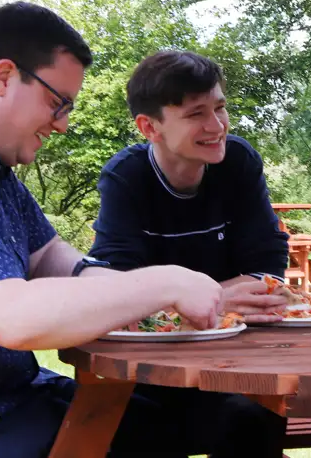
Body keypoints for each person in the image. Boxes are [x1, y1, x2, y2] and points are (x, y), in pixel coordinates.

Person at [0, 2, 285, 458]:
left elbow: (54, 260)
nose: (61, 125)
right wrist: (165, 282)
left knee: (241, 421)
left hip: (17, 397)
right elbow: (12, 318)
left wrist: (157, 295)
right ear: (3, 77)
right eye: (57, 103)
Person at [88, 50, 290, 310]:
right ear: (149, 127)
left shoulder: (238, 161)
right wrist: (212, 301)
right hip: (157, 345)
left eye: (220, 108)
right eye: (196, 114)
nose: (217, 127)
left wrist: (188, 301)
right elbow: (116, 285)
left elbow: (268, 268)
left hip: (241, 334)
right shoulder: (126, 176)